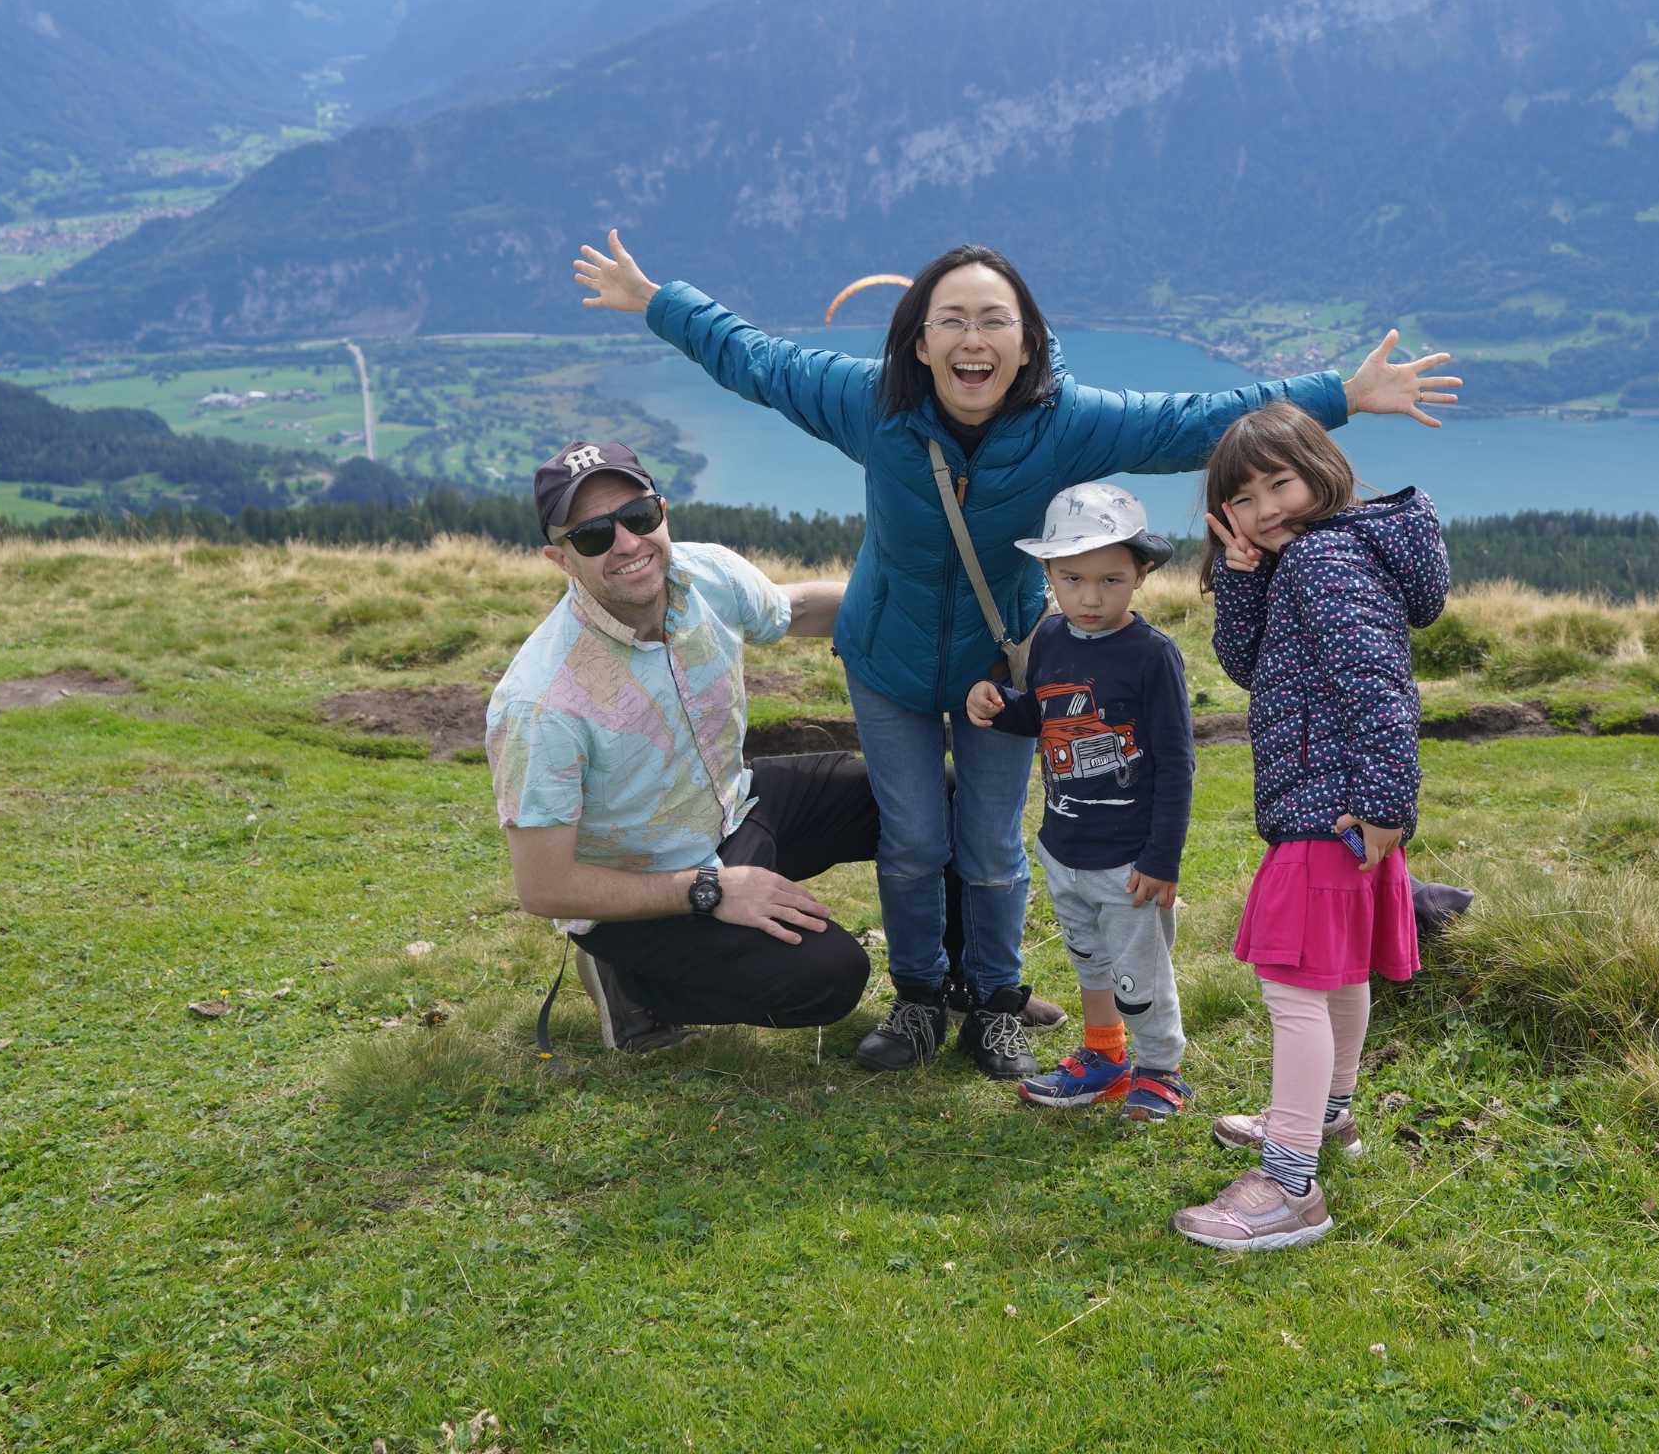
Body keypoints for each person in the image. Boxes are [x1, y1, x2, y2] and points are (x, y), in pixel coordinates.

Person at [569, 232, 1458, 1083]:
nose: (973, 338)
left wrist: (1342, 393)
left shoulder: (1064, 422)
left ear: (1027, 339)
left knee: (993, 846)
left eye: (994, 320)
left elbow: (1198, 422)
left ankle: (993, 998)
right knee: (912, 841)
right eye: (951, 319)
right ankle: (920, 997)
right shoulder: (866, 402)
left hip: (1009, 666)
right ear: (920, 341)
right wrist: (652, 298)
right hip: (887, 662)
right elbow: (753, 359)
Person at [488, 439, 877, 1049]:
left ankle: (967, 991)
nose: (627, 543)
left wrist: (936, 620)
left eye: (639, 517)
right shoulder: (540, 704)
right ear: (558, 558)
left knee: (934, 795)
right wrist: (709, 889)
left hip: (733, 811)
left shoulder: (707, 574)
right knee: (830, 979)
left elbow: (794, 609)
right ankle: (632, 985)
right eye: (592, 535)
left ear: (662, 511)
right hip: (640, 888)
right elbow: (544, 887)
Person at [1174, 401, 1451, 1252]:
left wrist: (1383, 805)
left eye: (1281, 483)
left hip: (1330, 813)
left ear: (1323, 472)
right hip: (1341, 809)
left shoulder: (1327, 562)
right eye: (1244, 499)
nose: (1266, 510)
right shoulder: (1306, 561)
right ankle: (1327, 1117)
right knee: (1334, 979)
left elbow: (1378, 689)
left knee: (1292, 987)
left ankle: (1291, 1184)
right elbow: (1250, 664)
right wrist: (1246, 574)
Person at [967, 483, 1196, 1121]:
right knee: (1090, 961)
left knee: (1139, 976)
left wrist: (1163, 858)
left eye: (1111, 580)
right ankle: (1105, 1056)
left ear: (1141, 575)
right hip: (1062, 847)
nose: (1090, 598)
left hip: (1129, 862)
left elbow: (1178, 764)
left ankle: (1160, 1069)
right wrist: (998, 707)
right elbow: (1044, 719)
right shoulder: (1048, 639)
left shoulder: (1153, 656)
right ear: (1048, 574)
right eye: (1072, 579)